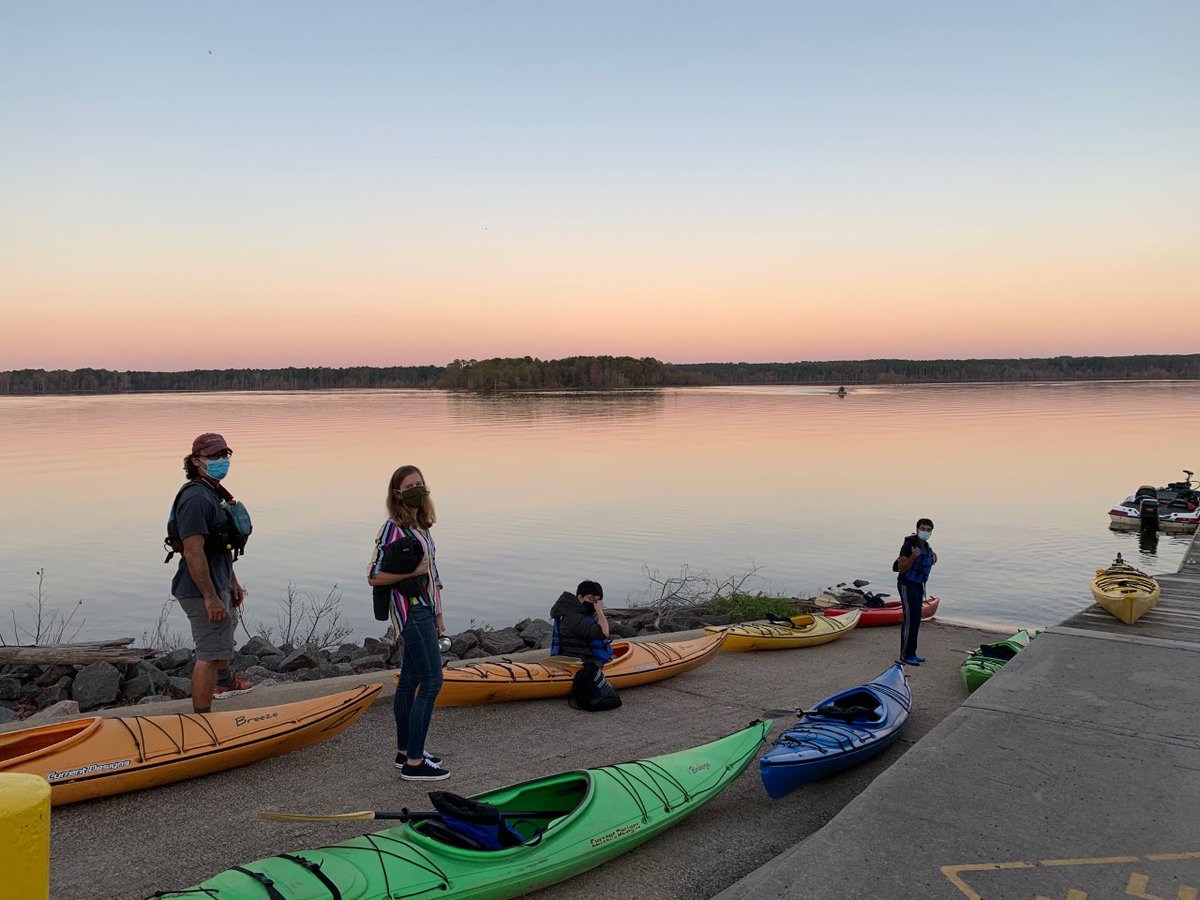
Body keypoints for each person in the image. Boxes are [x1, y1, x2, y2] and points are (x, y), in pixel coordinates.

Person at [368, 465, 448, 781]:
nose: (418, 488)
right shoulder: (392, 529)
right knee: (432, 682)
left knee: (409, 682)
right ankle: (415, 763)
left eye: (421, 483)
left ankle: (405, 753)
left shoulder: (422, 527)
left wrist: (440, 614)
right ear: (397, 493)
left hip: (427, 610)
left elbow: (433, 574)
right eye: (410, 485)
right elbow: (374, 575)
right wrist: (413, 574)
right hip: (411, 612)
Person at [170, 433, 254, 713]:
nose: (221, 461)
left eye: (224, 456)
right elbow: (193, 551)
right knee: (208, 654)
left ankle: (225, 683)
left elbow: (218, 549)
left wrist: (232, 582)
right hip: (198, 590)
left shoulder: (213, 492)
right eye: (214, 457)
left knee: (222, 643)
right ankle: (202, 719)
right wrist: (209, 597)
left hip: (218, 583)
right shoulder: (195, 498)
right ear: (196, 461)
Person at [550, 580, 620, 711]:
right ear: (580, 597)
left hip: (571, 656)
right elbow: (604, 632)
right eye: (591, 599)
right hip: (579, 662)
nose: (593, 604)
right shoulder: (575, 618)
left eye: (596, 601)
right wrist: (600, 611)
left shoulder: (569, 611)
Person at [894, 517, 938, 666]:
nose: (925, 532)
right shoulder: (908, 545)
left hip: (918, 585)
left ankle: (912, 653)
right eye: (923, 529)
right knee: (909, 620)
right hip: (906, 585)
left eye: (928, 530)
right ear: (917, 529)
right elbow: (901, 568)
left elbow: (926, 559)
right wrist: (914, 556)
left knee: (916, 620)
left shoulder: (926, 546)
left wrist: (932, 557)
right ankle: (905, 655)